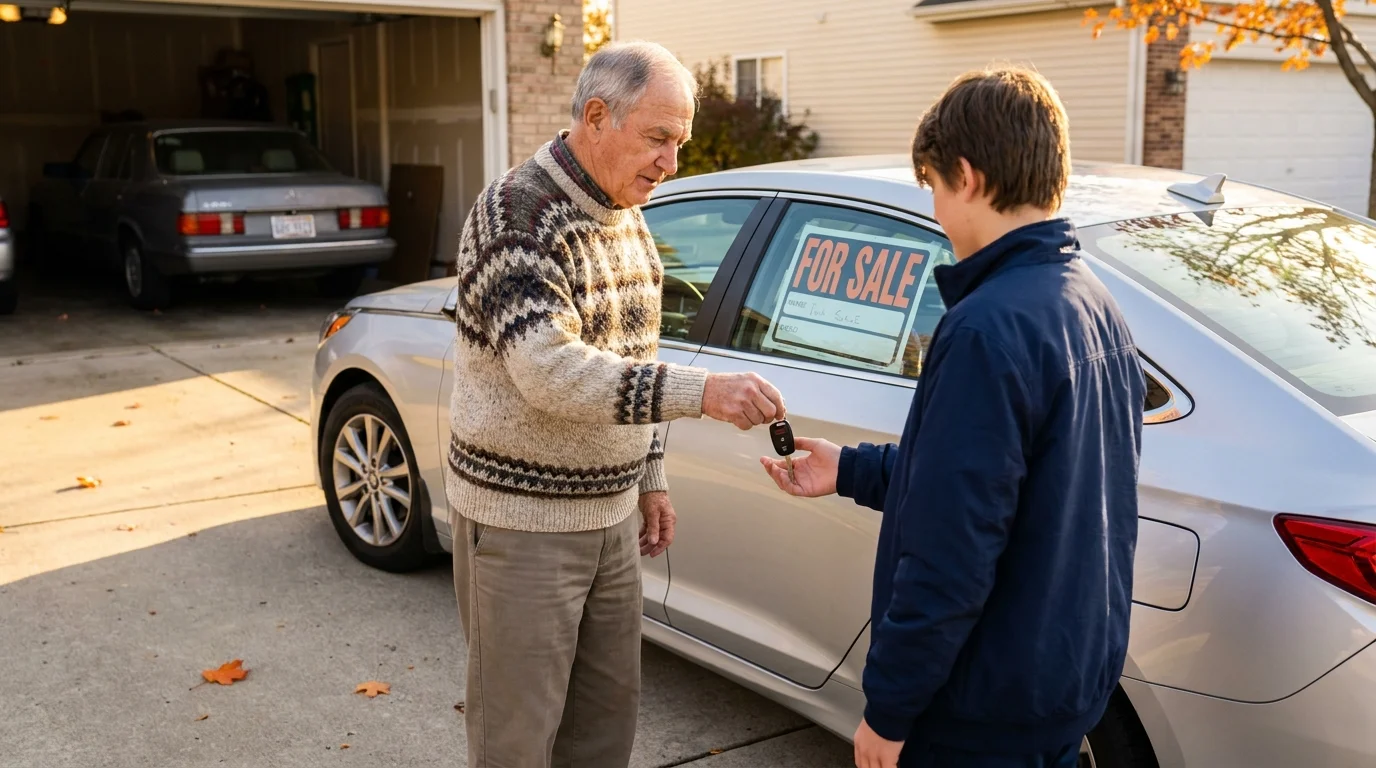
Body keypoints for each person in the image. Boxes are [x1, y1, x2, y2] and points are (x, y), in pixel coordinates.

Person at [760, 66, 1146, 768]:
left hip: (977, 718)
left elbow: (951, 554)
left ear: (964, 177)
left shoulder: (984, 330)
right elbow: (1003, 486)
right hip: (1058, 691)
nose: (936, 211)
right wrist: (849, 468)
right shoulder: (1095, 305)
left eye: (932, 188)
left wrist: (890, 709)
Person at [447, 42, 785, 768]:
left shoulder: (627, 214)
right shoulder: (515, 215)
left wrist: (651, 475)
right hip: (521, 526)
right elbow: (549, 371)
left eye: (680, 144)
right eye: (659, 139)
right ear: (597, 116)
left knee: (603, 735)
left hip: (610, 522)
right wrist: (702, 395)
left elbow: (636, 353)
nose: (671, 164)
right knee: (517, 742)